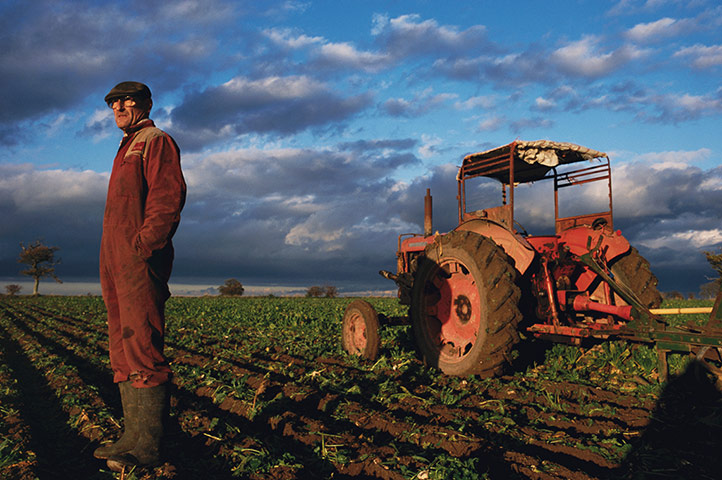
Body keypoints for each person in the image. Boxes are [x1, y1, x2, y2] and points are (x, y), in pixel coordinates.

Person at [94, 81, 186, 472]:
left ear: (146, 103)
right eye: (114, 102)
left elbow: (167, 198)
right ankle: (131, 436)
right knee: (122, 343)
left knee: (143, 342)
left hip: (137, 258)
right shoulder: (124, 146)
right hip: (114, 259)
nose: (119, 106)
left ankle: (148, 446)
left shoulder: (154, 140)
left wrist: (142, 246)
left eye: (127, 100)